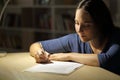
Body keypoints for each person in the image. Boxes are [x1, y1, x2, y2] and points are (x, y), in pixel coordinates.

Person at [29, 0, 120, 75]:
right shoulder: (75, 39)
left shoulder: (116, 37)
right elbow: (35, 45)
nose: (79, 30)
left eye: (87, 25)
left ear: (101, 23)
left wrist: (69, 55)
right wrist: (38, 54)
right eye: (77, 23)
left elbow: (106, 60)